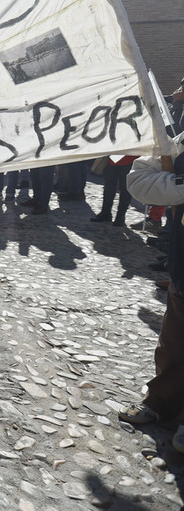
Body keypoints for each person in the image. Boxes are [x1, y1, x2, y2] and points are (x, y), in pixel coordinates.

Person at [121, 148, 184, 452]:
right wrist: (178, 185)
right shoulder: (180, 140)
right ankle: (161, 403)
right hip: (182, 267)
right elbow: (140, 179)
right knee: (172, 343)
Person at [90, 155, 138, 226]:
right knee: (109, 186)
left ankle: (120, 217)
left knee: (125, 188)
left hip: (129, 158)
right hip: (112, 158)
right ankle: (105, 213)